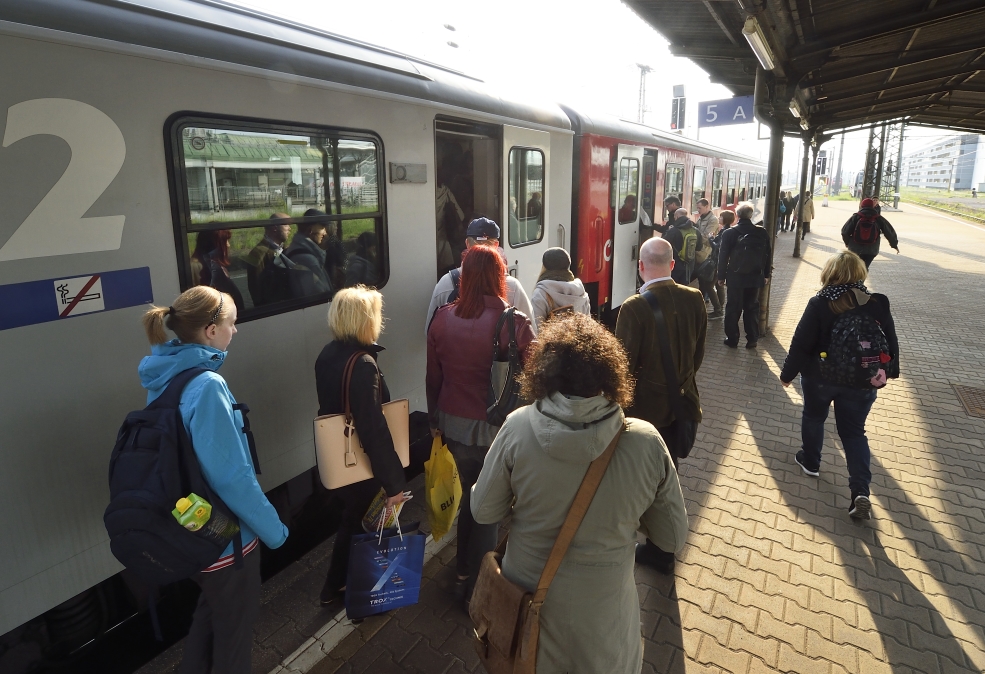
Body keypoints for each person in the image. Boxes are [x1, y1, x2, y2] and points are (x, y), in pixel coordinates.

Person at [471, 313, 688, 674]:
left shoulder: (517, 427)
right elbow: (672, 536)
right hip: (604, 623)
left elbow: (482, 510)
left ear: (543, 371)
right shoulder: (646, 442)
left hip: (523, 614)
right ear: (611, 373)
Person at [140, 287, 288, 674]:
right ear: (209, 331)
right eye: (231, 324)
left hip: (191, 529)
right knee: (233, 640)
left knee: (208, 622)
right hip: (224, 540)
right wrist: (274, 531)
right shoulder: (207, 386)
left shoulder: (163, 377)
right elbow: (232, 477)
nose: (234, 332)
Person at [426, 245, 536, 603]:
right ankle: (479, 590)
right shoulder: (514, 322)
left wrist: (434, 420)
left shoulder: (442, 318)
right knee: (491, 507)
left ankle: (462, 569)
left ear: (465, 278)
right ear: (499, 277)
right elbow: (535, 377)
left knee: (469, 499)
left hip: (453, 425)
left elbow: (433, 377)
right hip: (497, 429)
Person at [779, 251, 899, 520]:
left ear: (830, 273)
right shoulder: (877, 302)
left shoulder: (821, 302)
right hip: (861, 380)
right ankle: (860, 492)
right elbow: (890, 341)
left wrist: (786, 375)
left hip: (819, 377)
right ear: (860, 273)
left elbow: (801, 343)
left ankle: (811, 462)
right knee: (854, 433)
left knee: (814, 417)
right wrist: (890, 372)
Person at [615, 236, 704, 574]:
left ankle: (655, 548)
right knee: (670, 476)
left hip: (645, 415)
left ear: (640, 267)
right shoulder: (695, 298)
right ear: (672, 265)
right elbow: (698, 357)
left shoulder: (634, 307)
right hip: (682, 407)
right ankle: (663, 546)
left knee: (643, 478)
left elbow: (621, 367)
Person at [314, 286, 408, 606]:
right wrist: (394, 483)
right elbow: (373, 429)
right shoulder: (363, 363)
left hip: (341, 458)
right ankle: (372, 595)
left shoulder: (327, 353)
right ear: (366, 320)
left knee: (353, 520)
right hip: (362, 465)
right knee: (372, 525)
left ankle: (336, 586)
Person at [424, 217, 535, 333]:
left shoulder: (446, 283)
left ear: (467, 243)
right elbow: (530, 332)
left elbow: (430, 331)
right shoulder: (512, 287)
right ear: (496, 245)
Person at [717, 201, 771, 349]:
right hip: (755, 277)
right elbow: (767, 255)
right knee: (751, 307)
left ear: (737, 215)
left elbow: (723, 257)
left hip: (735, 277)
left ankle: (732, 339)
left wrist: (721, 276)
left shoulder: (729, 233)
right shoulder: (762, 232)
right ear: (751, 215)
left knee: (733, 308)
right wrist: (766, 274)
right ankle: (752, 339)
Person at [530, 247, 591, 325]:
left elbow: (536, 329)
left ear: (544, 266)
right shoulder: (581, 292)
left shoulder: (540, 294)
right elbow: (588, 325)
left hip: (551, 337)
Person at [245, 213, 294, 306]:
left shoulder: (285, 249)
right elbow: (256, 290)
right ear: (275, 227)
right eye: (286, 224)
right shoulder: (257, 253)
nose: (289, 228)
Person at [191, 229, 245, 311]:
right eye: (224, 241)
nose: (228, 245)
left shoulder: (215, 264)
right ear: (213, 245)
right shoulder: (196, 266)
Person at [841, 197, 899, 268]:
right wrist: (894, 245)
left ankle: (857, 278)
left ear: (862, 205)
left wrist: (847, 243)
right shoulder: (878, 218)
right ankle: (862, 277)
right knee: (865, 267)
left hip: (855, 248)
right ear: (873, 206)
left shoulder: (856, 217)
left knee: (854, 268)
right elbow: (890, 232)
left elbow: (844, 232)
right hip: (872, 249)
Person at [285, 220, 333, 297]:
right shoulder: (308, 260)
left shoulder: (295, 249)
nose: (325, 233)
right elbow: (321, 294)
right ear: (310, 230)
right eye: (322, 228)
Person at [663, 207, 703, 285]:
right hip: (689, 265)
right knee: (684, 287)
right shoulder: (696, 231)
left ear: (677, 217)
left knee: (674, 286)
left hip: (675, 265)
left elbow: (664, 245)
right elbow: (699, 247)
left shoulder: (673, 231)